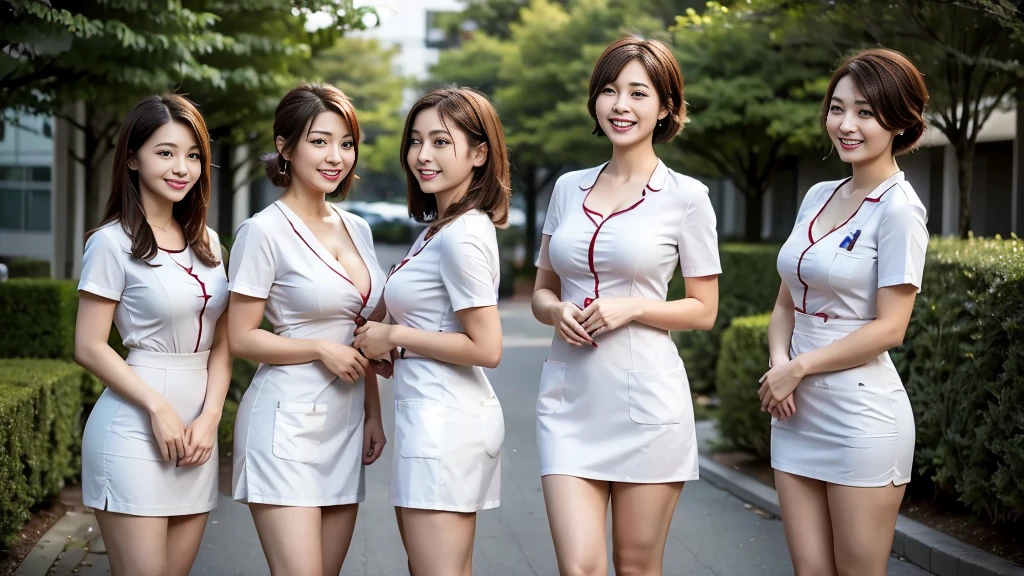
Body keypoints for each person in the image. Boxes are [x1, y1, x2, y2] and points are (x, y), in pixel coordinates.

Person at [530, 37, 721, 576]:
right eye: (610, 91)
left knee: (636, 565)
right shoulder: (568, 188)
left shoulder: (688, 197)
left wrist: (632, 308)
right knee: (579, 567)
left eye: (639, 93)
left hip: (648, 407)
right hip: (568, 401)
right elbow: (544, 289)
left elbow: (703, 310)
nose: (621, 105)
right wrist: (554, 312)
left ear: (666, 108)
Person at [760, 48, 930, 576]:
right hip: (794, 413)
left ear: (901, 122)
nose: (846, 124)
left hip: (861, 418)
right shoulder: (816, 195)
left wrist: (798, 368)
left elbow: (891, 328)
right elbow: (785, 302)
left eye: (866, 112)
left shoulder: (901, 209)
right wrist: (778, 363)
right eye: (838, 108)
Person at [227, 83, 387, 576]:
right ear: (285, 146)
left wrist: (373, 412)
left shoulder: (357, 227)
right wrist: (320, 348)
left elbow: (362, 328)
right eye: (319, 141)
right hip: (284, 423)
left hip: (344, 423)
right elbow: (241, 337)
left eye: (345, 142)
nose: (335, 156)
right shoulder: (262, 231)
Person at [353, 87, 511, 576]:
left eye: (441, 142)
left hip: (446, 423)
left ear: (479, 153)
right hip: (434, 415)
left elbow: (487, 347)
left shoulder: (462, 237)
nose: (423, 155)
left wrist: (395, 338)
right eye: (416, 140)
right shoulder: (438, 229)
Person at [74, 94, 229, 576]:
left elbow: (223, 342)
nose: (181, 167)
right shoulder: (110, 242)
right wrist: (158, 408)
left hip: (196, 436)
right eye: (165, 152)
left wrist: (211, 418)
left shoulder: (208, 242)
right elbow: (88, 345)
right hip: (133, 429)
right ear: (134, 159)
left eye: (192, 155)